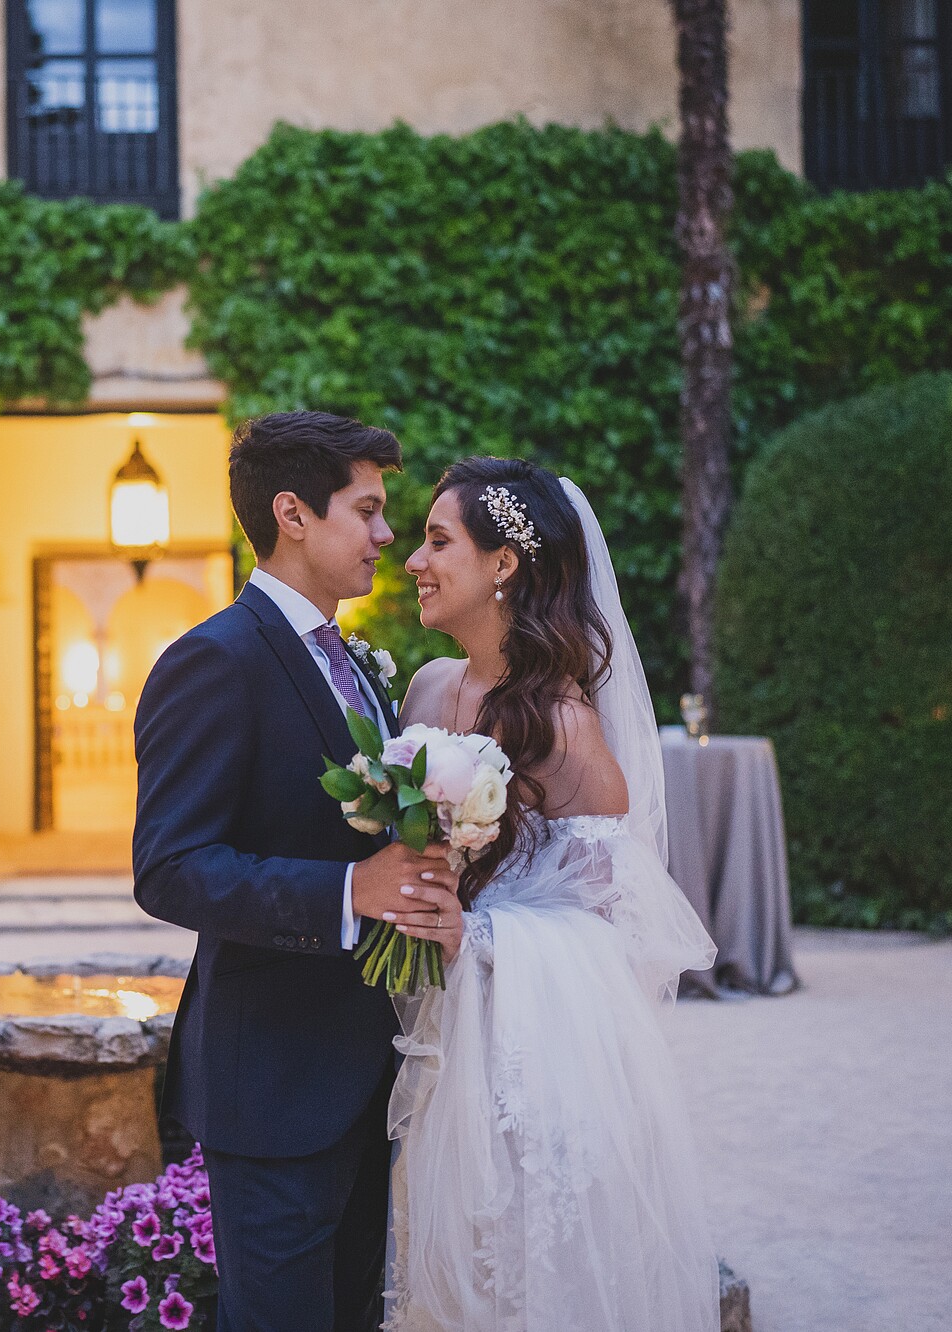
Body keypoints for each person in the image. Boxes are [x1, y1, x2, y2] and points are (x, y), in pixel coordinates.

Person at [133, 410, 462, 1332]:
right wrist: (349, 891)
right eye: (369, 510)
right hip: (273, 1086)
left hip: (371, 1072)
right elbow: (169, 868)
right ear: (293, 513)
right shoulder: (214, 660)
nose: (387, 536)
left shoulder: (355, 663)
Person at [381, 456, 721, 1331]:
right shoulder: (424, 689)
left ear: (503, 565)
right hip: (424, 1026)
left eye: (436, 540)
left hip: (522, 1053)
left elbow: (615, 919)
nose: (413, 560)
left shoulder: (564, 725)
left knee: (513, 1270)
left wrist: (476, 938)